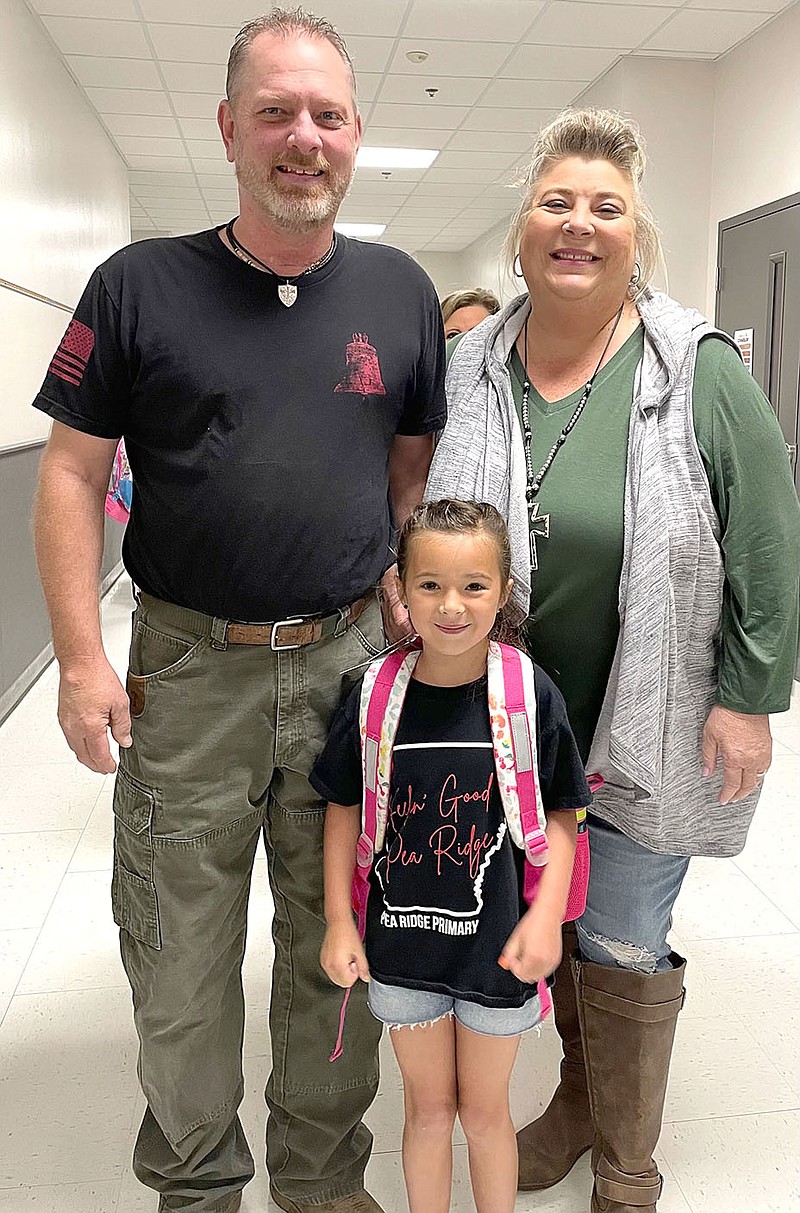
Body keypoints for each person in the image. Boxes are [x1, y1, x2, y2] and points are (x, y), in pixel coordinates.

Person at [32, 9, 445, 1213]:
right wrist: (74, 659)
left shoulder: (397, 288)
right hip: (190, 670)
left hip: (349, 666)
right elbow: (65, 473)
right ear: (227, 129)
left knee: (340, 950)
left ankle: (318, 1182)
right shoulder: (139, 284)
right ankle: (200, 1186)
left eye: (325, 115)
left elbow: (407, 456)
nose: (301, 138)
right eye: (274, 112)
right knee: (180, 961)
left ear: (355, 134)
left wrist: (399, 579)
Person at [424, 108, 800, 1212]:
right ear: (520, 228)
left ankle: (626, 1166)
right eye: (555, 202)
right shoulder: (468, 367)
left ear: (635, 234)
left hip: (650, 706)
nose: (576, 225)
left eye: (604, 208)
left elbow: (765, 538)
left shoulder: (697, 369)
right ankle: (578, 1105)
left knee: (623, 935)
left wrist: (747, 696)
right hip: (507, 716)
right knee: (545, 915)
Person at [312, 499, 591, 1213]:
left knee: (486, 1114)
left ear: (503, 592)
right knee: (429, 1112)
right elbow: (343, 804)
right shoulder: (374, 696)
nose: (452, 604)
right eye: (429, 583)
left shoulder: (530, 696)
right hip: (400, 954)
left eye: (474, 585)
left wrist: (546, 916)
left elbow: (563, 812)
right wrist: (340, 922)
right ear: (399, 590)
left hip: (498, 951)